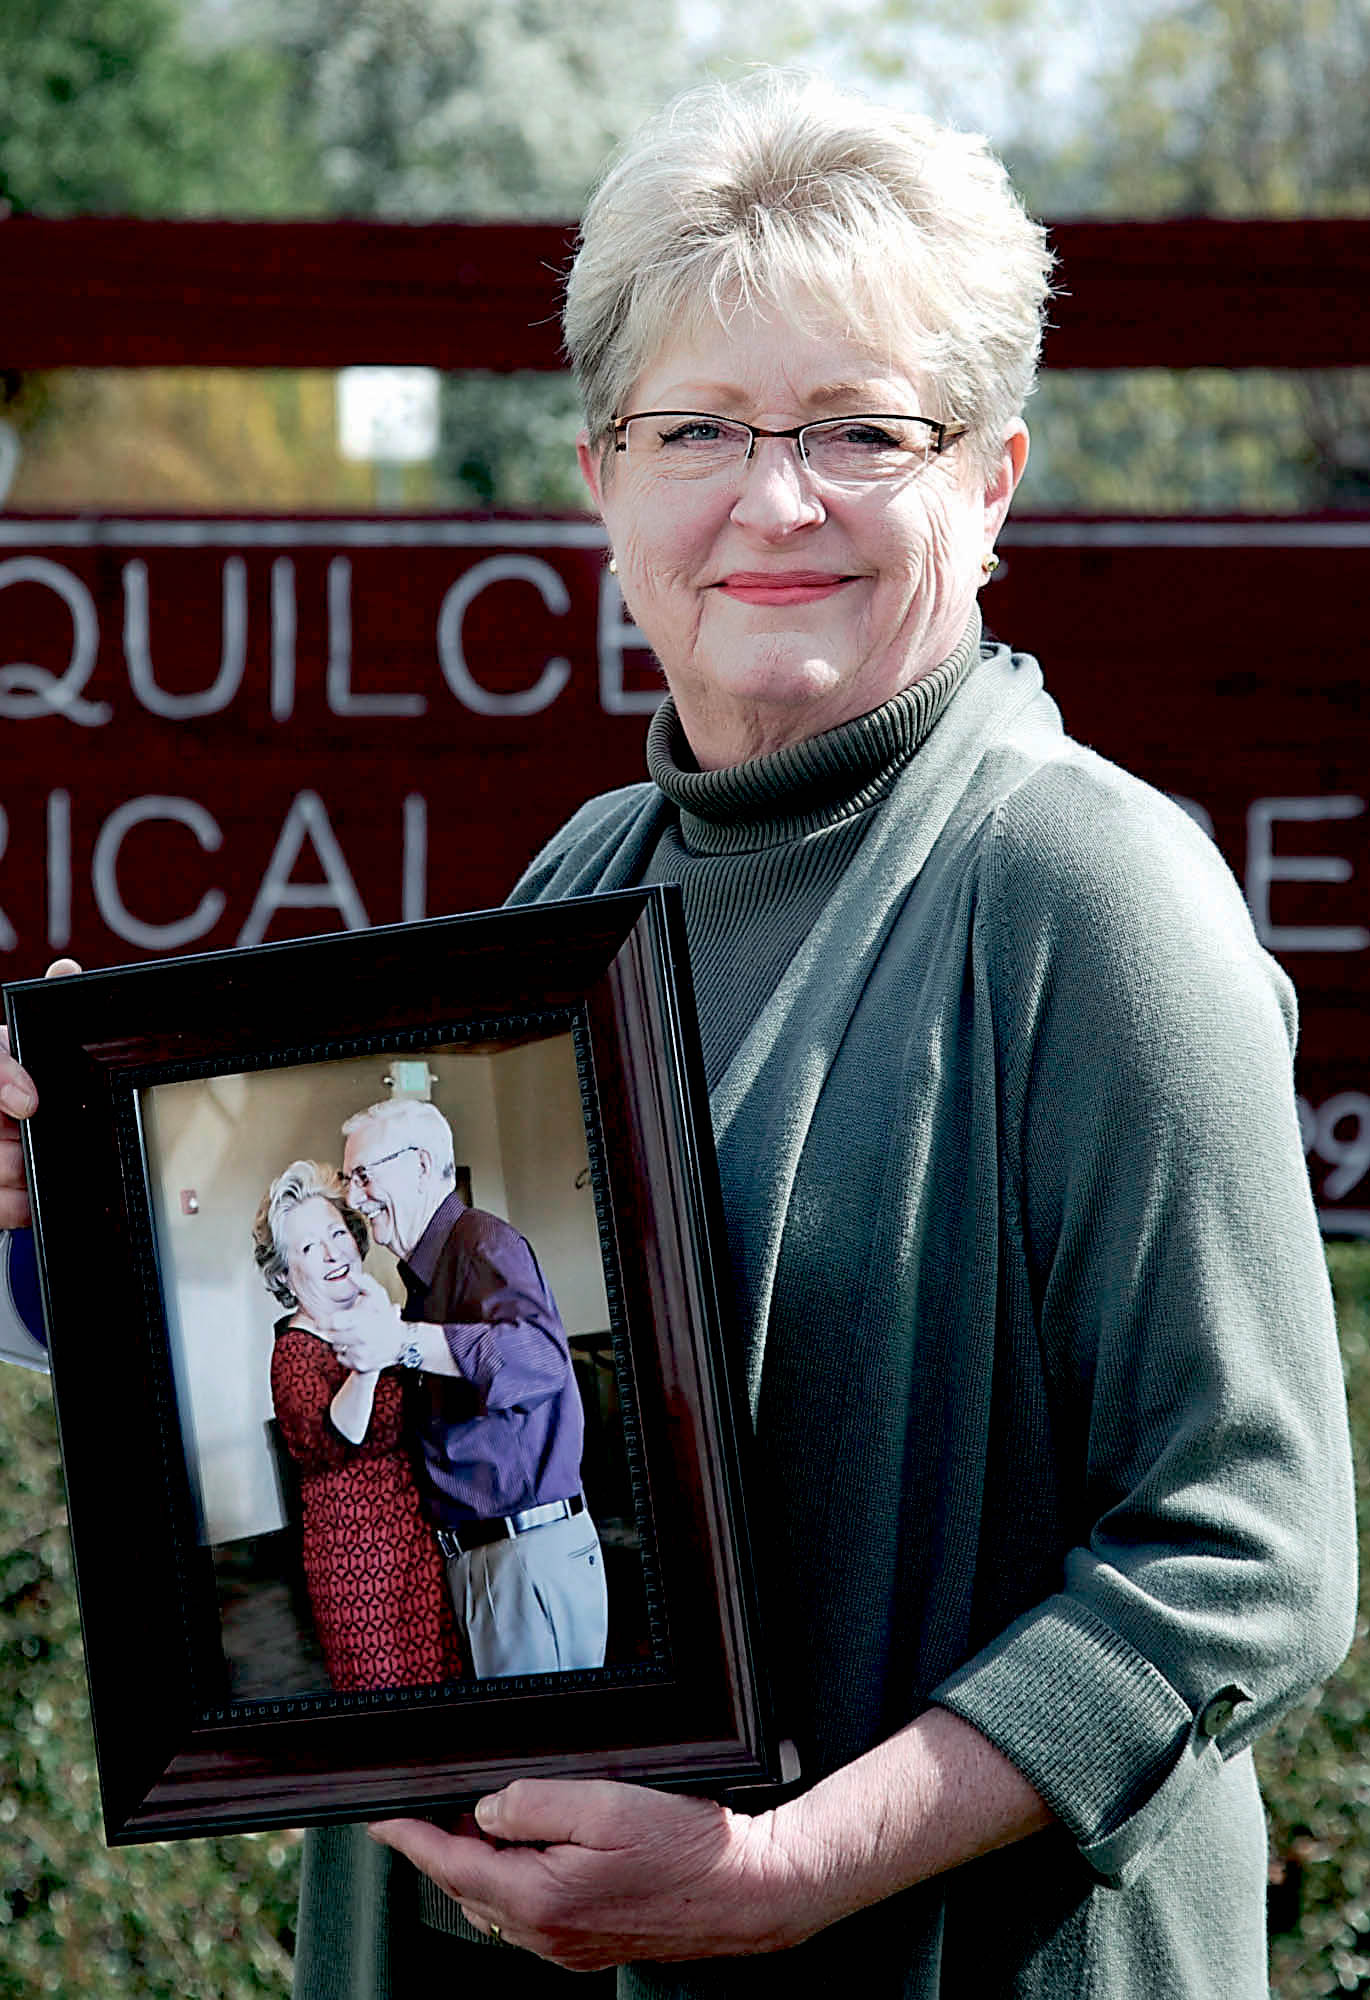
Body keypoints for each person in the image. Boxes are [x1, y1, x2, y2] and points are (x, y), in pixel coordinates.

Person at [0, 67, 1355, 2000]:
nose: (771, 498)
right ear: (602, 482)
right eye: (697, 425)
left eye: (858, 430)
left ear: (991, 479)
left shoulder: (1091, 898)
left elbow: (1252, 1563)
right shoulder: (589, 874)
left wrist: (788, 1868)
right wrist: (71, 1214)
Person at [325, 1096, 609, 1682]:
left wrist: (404, 1342)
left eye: (364, 1176)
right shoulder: (427, 1277)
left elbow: (541, 1359)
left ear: (423, 1166)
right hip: (488, 1564)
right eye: (347, 1179)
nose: (354, 1198)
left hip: (524, 1562)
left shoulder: (483, 1246)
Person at [251, 1159, 463, 1694]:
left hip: (418, 1544)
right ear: (284, 1275)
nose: (331, 1252)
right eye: (306, 1248)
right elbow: (338, 1435)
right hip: (357, 1568)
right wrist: (370, 1358)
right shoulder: (294, 1355)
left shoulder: (374, 1314)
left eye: (336, 1233)